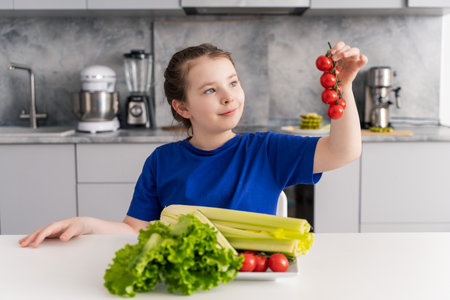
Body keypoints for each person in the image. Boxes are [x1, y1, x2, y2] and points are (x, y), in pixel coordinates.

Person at [20, 41, 368, 248]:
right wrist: (85, 224)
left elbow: (344, 151)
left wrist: (345, 86)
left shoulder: (266, 151)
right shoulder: (162, 161)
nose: (229, 96)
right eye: (210, 90)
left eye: (233, 82)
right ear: (182, 107)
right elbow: (134, 230)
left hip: (255, 281)